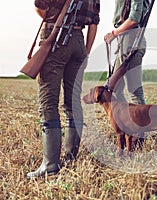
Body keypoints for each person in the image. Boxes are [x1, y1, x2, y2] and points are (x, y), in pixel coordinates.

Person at [27, 0, 100, 178]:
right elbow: (94, 23)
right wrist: (85, 53)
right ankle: (70, 158)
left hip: (56, 37)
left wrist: (55, 18)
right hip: (79, 43)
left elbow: (40, 6)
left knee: (48, 104)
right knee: (73, 103)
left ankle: (50, 165)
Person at [104, 0, 149, 149]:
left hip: (131, 39)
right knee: (115, 88)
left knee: (134, 91)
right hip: (125, 39)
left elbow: (134, 18)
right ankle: (128, 127)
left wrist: (113, 33)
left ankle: (138, 136)